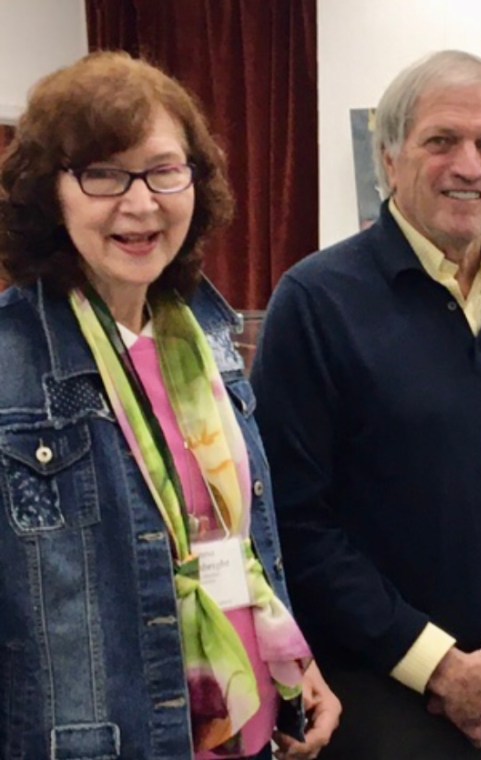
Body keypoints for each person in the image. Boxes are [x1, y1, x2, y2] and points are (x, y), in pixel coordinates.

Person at [250, 49, 481, 759]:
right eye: (441, 140)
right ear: (389, 158)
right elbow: (293, 518)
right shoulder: (316, 303)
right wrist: (439, 666)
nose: (469, 165)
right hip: (375, 706)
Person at [0, 52, 341, 760]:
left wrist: (294, 662)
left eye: (163, 170)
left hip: (245, 733)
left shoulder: (209, 341)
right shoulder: (11, 365)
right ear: (49, 193)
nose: (140, 203)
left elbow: (237, 541)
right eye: (103, 174)